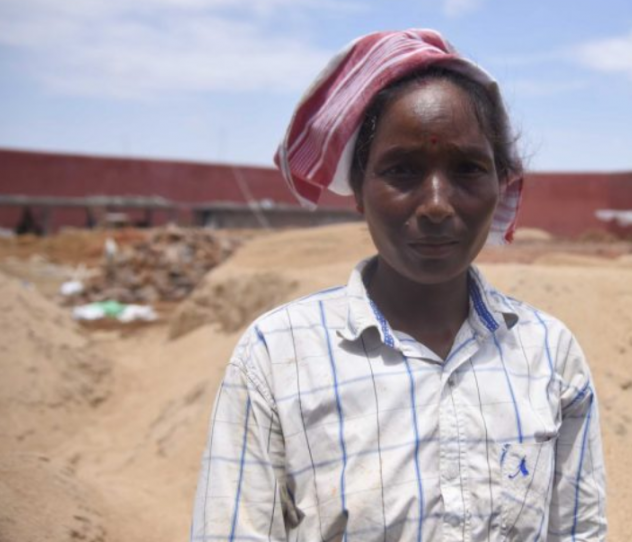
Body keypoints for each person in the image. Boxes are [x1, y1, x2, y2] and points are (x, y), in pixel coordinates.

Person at [190, 29, 607, 541]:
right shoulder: (277, 357)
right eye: (402, 170)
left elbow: (578, 531)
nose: (436, 204)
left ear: (501, 185)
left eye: (467, 169)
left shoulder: (549, 354)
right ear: (360, 190)